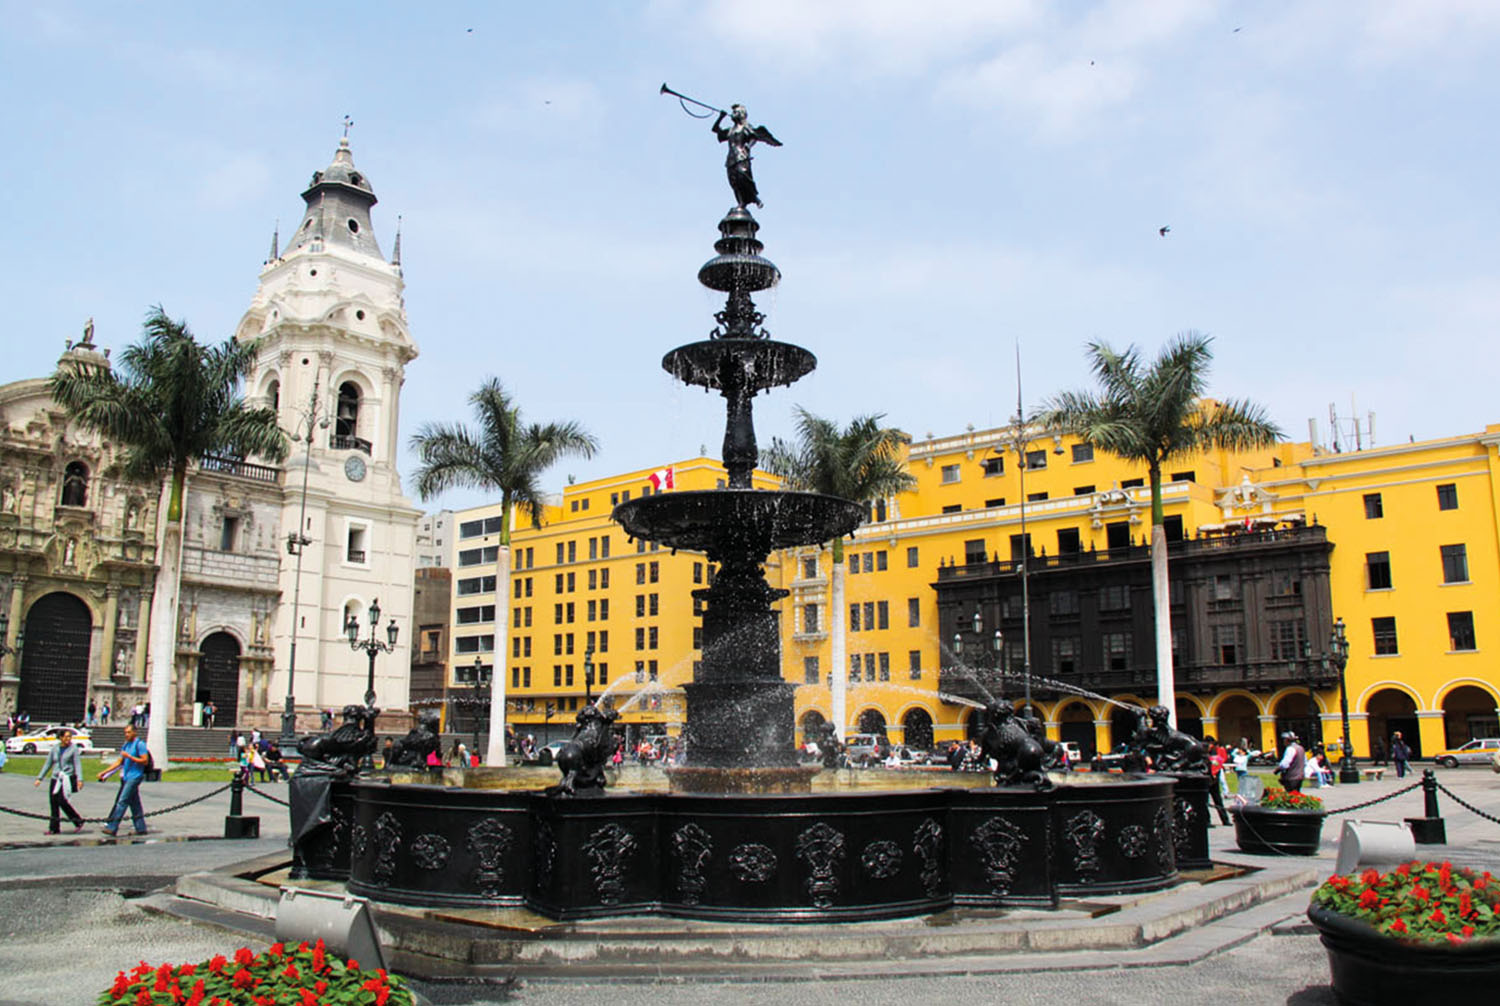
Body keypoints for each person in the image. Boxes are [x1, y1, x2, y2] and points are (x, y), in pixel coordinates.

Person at [711, 103, 782, 210]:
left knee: (743, 177)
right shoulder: (730, 130)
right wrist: (721, 117)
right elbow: (715, 129)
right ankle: (741, 203)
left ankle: (755, 198)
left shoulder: (745, 127)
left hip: (742, 157)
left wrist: (748, 146)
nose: (732, 114)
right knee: (734, 182)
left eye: (735, 112)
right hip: (731, 158)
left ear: (741, 114)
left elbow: (755, 136)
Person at [98, 723, 149, 837]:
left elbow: (145, 761)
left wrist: (130, 757)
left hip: (135, 776)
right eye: (125, 732)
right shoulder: (126, 745)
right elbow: (119, 762)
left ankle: (113, 827)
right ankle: (141, 828)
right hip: (126, 777)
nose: (126, 735)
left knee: (122, 801)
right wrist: (104, 772)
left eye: (129, 732)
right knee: (134, 804)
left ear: (134, 732)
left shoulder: (140, 745)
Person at [36, 728, 85, 834]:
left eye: (70, 737)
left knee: (62, 801)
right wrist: (40, 778)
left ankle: (77, 820)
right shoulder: (55, 748)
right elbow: (48, 764)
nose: (68, 739)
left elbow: (77, 764)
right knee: (53, 802)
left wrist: (80, 779)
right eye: (66, 737)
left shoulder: (73, 748)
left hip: (67, 778)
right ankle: (54, 828)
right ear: (61, 737)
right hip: (56, 778)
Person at [1204, 735, 1231, 825]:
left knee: (1218, 801)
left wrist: (1216, 774)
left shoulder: (1214, 753)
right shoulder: (1203, 754)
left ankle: (1225, 820)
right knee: (1205, 801)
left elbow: (1218, 764)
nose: (1212, 746)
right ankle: (1207, 821)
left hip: (1214, 780)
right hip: (1206, 780)